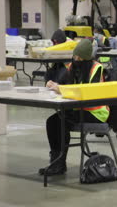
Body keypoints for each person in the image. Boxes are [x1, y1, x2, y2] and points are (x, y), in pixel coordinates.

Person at [38, 39, 109, 176]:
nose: (76, 59)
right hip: (77, 110)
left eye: (79, 58)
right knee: (52, 121)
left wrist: (61, 89)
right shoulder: (72, 66)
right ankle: (56, 161)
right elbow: (62, 83)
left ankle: (59, 163)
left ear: (87, 59)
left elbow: (87, 93)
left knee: (62, 122)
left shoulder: (96, 69)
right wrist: (53, 84)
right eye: (75, 56)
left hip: (95, 113)